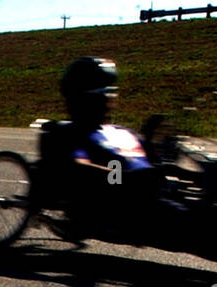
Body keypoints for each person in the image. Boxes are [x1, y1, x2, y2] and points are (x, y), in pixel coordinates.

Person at [56, 56, 167, 241]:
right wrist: (123, 177)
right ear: (85, 97)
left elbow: (153, 163)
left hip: (156, 193)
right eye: (104, 93)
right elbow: (78, 168)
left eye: (111, 92)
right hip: (128, 204)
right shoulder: (75, 134)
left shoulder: (122, 130)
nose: (110, 98)